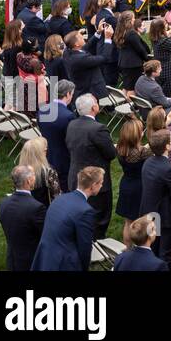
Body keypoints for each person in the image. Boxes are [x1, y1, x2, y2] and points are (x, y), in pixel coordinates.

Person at [65, 93, 117, 238]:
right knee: (99, 219)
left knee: (79, 216)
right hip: (95, 182)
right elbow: (111, 153)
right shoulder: (98, 129)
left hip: (75, 177)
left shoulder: (72, 124)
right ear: (94, 107)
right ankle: (95, 246)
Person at [31, 166, 103, 271]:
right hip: (64, 263)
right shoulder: (86, 211)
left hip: (45, 257)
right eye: (101, 183)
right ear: (93, 186)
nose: (102, 186)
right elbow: (85, 248)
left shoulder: (60, 199)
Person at [140, 129, 171, 260]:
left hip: (149, 213)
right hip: (165, 218)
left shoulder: (147, 162)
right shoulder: (169, 169)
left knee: (152, 249)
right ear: (167, 146)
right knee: (166, 254)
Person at [0, 165, 47, 271]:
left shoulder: (3, 203)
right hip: (32, 261)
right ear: (29, 181)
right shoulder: (37, 208)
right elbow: (46, 235)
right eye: (34, 175)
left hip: (12, 259)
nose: (35, 177)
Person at [114, 117, 151, 224]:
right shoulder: (143, 152)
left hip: (126, 184)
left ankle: (127, 242)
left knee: (128, 222)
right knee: (145, 221)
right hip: (141, 187)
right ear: (137, 135)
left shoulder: (120, 149)